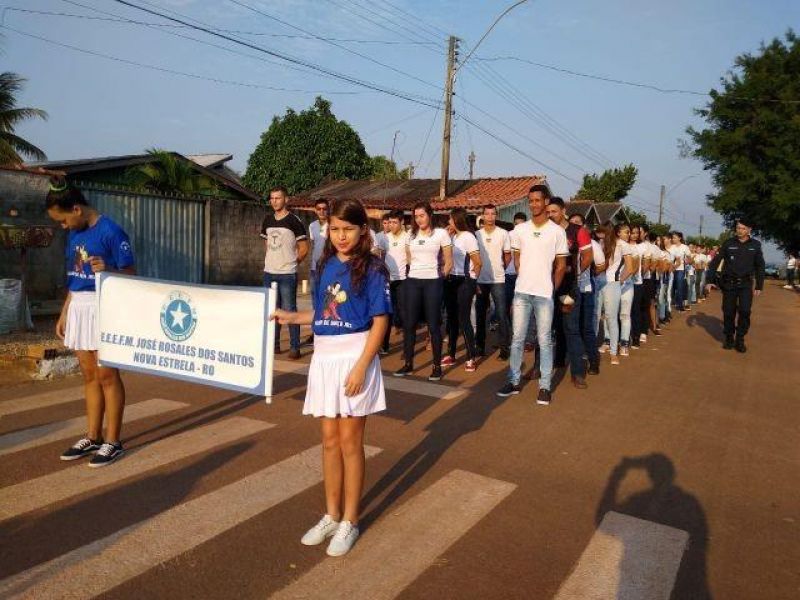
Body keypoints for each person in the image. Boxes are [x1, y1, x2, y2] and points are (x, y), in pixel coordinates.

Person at [272, 198, 391, 558]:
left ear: (362, 231)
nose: (341, 236)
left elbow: (381, 322)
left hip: (355, 357)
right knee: (328, 441)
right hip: (324, 357)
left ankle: (350, 521)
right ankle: (331, 514)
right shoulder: (323, 265)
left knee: (351, 442)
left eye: (348, 229)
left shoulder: (373, 268)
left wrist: (360, 367)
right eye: (335, 229)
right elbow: (324, 313)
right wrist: (292, 318)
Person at [47, 176, 135, 467]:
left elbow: (132, 276)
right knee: (88, 375)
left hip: (105, 306)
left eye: (62, 220)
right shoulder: (74, 234)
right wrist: (64, 313)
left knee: (108, 376)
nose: (63, 227)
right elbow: (75, 279)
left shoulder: (112, 231)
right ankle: (93, 436)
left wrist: (108, 269)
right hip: (79, 307)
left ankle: (113, 441)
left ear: (76, 209)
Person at [497, 184, 567, 406]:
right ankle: (514, 381)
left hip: (544, 294)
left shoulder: (557, 232)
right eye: (531, 201)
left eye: (538, 200)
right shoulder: (520, 230)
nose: (534, 204)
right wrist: (525, 278)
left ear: (546, 202)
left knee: (544, 340)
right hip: (522, 293)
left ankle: (545, 386)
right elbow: (517, 261)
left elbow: (561, 266)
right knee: (517, 339)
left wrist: (550, 288)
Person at [394, 202, 453, 381]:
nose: (419, 219)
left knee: (433, 325)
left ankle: (436, 366)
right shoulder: (410, 235)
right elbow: (409, 258)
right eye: (416, 216)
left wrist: (440, 278)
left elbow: (448, 261)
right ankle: (408, 364)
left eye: (422, 215)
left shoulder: (441, 233)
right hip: (412, 282)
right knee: (409, 323)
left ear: (429, 215)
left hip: (433, 282)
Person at [547, 198, 593, 388]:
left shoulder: (577, 231)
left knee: (571, 329)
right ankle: (541, 368)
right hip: (546, 286)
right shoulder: (545, 231)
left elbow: (588, 256)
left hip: (568, 288)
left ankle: (577, 373)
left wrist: (575, 273)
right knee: (546, 330)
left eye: (554, 211)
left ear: (563, 211)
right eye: (548, 212)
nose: (550, 215)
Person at [261, 186, 309, 360]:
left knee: (289, 310)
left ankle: (295, 347)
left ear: (286, 199)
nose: (274, 201)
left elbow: (304, 248)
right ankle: (274, 346)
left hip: (287, 274)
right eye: (272, 198)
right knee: (272, 311)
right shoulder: (267, 220)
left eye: (278, 198)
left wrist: (292, 262)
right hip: (269, 273)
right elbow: (266, 244)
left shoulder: (294, 221)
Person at [705, 220, 765, 352]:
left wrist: (759, 285)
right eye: (738, 228)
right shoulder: (728, 243)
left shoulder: (755, 245)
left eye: (743, 228)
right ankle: (729, 337)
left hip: (745, 284)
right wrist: (709, 280)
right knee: (728, 312)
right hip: (729, 284)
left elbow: (760, 266)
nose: (740, 230)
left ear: (749, 230)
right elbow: (715, 262)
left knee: (744, 311)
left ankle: (740, 338)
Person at [443, 208, 482, 372]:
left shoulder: (468, 236)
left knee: (463, 318)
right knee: (451, 319)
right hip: (451, 280)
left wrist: (473, 280)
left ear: (457, 220)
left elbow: (478, 262)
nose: (448, 222)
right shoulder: (452, 236)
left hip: (465, 281)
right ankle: (451, 354)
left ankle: (471, 357)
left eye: (450, 219)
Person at [570, 213, 606, 376]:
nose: (574, 225)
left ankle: (593, 360)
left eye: (578, 223)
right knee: (570, 327)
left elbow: (601, 265)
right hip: (568, 290)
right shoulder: (563, 241)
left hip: (585, 290)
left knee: (586, 327)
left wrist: (584, 275)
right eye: (572, 222)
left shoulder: (592, 244)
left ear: (583, 226)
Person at [475, 204, 512, 359]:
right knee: (480, 314)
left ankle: (504, 348)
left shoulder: (503, 233)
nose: (490, 216)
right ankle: (479, 346)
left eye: (492, 214)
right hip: (480, 279)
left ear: (496, 215)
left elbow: (508, 255)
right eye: (487, 214)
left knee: (502, 314)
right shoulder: (476, 234)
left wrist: (501, 268)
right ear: (482, 216)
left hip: (498, 279)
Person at [598, 223, 635, 365]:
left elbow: (630, 268)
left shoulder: (623, 245)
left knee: (611, 318)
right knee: (596, 318)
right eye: (626, 232)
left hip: (612, 284)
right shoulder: (602, 243)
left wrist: (619, 281)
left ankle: (614, 352)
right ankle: (592, 350)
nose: (628, 235)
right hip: (598, 283)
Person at [376, 209, 407, 354]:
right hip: (388, 280)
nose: (392, 225)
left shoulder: (408, 237)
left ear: (402, 222)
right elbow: (378, 255)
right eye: (390, 222)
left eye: (395, 222)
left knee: (403, 312)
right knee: (387, 313)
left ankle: (407, 343)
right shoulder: (384, 238)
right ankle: (384, 345)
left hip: (403, 280)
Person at [305, 198, 329, 346]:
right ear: (315, 210)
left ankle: (327, 331)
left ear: (328, 209)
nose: (321, 211)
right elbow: (313, 245)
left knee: (327, 301)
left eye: (324, 208)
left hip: (328, 269)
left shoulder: (333, 225)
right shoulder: (312, 226)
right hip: (315, 269)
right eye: (318, 209)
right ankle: (316, 332)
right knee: (315, 302)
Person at [669, 231, 691, 312]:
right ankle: (672, 302)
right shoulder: (671, 247)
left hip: (681, 269)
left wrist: (688, 261)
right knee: (672, 287)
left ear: (679, 238)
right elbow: (670, 258)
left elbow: (689, 257)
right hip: (672, 269)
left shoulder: (684, 247)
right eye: (672, 237)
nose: (673, 239)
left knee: (679, 287)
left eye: (674, 237)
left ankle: (680, 305)